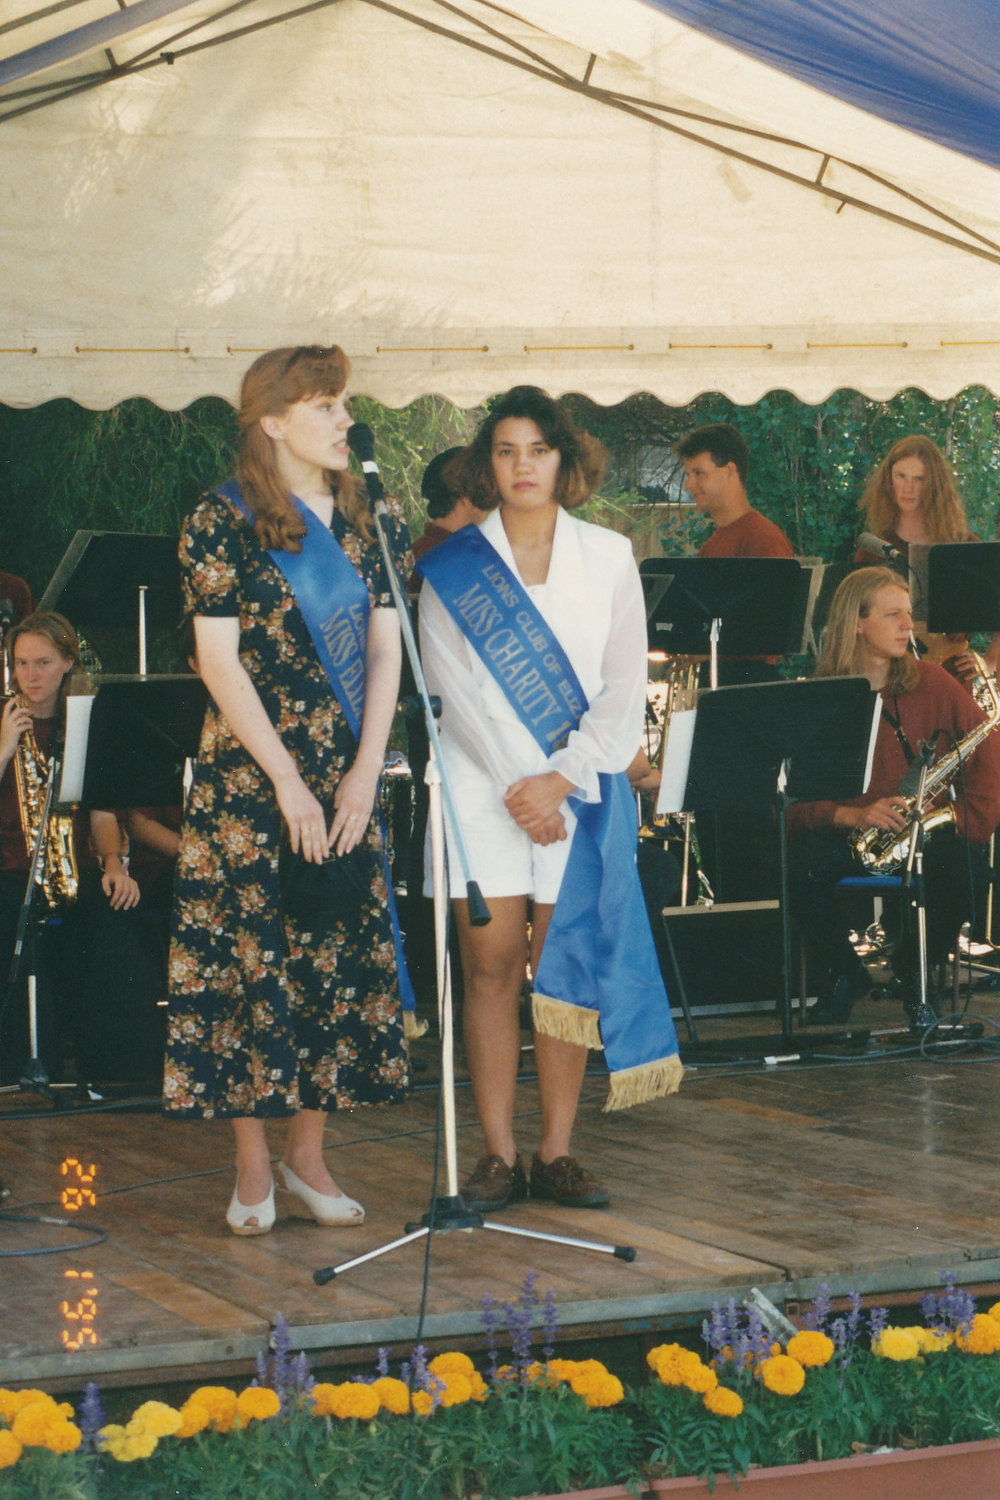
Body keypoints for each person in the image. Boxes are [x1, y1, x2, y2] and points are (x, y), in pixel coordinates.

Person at [163, 344, 410, 1236]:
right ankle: (253, 1165)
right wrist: (289, 784)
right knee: (249, 965)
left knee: (332, 965)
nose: (347, 419)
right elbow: (218, 663)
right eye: (326, 405)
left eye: (344, 403)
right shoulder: (219, 519)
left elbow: (387, 650)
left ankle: (310, 1155)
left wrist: (363, 771)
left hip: (347, 771)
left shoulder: (372, 513)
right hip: (250, 777)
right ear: (272, 421)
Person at [417, 385, 681, 1214]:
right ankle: (497, 1156)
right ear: (485, 464)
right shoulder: (454, 565)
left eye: (537, 449)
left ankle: (556, 1150)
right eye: (505, 450)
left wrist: (561, 778)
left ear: (565, 459)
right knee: (490, 968)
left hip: (579, 790)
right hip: (480, 786)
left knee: (561, 966)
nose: (521, 465)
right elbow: (450, 691)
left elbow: (621, 685)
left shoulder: (608, 555)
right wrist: (518, 785)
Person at [788, 568, 1000, 1030]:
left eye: (909, 613)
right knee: (797, 862)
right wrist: (852, 814)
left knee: (968, 867)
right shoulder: (820, 698)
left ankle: (915, 968)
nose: (908, 625)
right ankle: (844, 973)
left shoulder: (932, 681)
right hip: (856, 832)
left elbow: (990, 748)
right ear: (857, 623)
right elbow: (791, 803)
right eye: (893, 615)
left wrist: (962, 816)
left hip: (925, 829)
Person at [0, 611, 144, 1083]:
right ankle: (17, 1066)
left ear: (67, 663)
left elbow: (102, 811)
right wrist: (5, 745)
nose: (30, 675)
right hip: (12, 869)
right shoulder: (3, 716)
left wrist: (111, 863)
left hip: (74, 866)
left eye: (42, 662)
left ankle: (110, 1073)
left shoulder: (85, 721)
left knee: (115, 920)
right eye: (21, 663)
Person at [854, 433, 999, 674]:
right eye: (901, 476)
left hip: (950, 679)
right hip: (891, 680)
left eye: (919, 479)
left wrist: (989, 663)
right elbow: (854, 622)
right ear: (889, 480)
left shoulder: (963, 545)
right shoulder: (874, 548)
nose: (908, 488)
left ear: (935, 485)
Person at [676, 423, 794, 563]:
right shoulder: (709, 548)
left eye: (699, 473)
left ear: (729, 471)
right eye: (688, 475)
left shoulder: (764, 541)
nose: (688, 484)